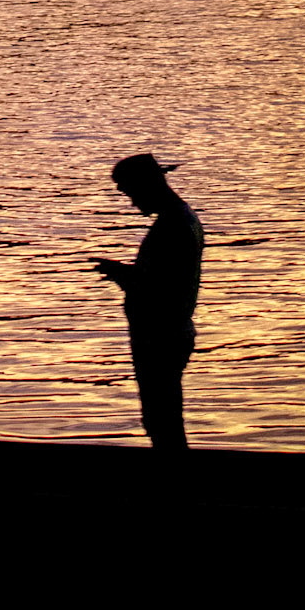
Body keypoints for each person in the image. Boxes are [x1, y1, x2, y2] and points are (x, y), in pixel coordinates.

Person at [95, 153, 204, 450]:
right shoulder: (180, 221)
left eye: (132, 193)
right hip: (166, 334)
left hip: (161, 337)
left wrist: (122, 276)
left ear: (148, 186)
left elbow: (159, 290)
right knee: (162, 417)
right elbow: (163, 278)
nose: (132, 202)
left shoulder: (173, 227)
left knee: (162, 419)